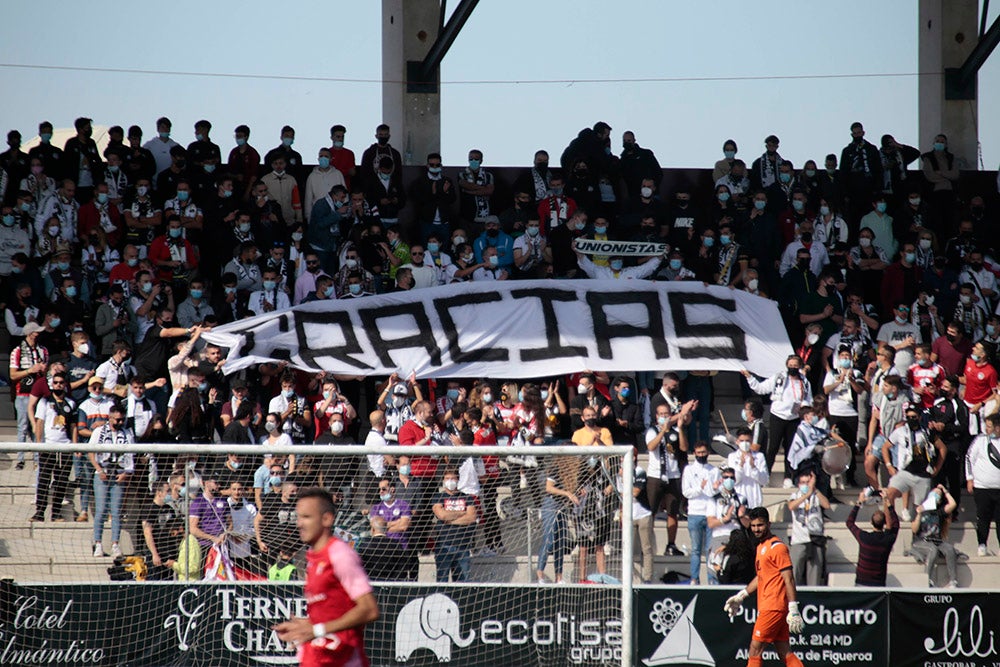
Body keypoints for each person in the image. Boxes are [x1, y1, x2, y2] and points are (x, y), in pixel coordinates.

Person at [274, 487, 379, 666]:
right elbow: (335, 612)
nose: (299, 523)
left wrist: (316, 629)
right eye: (298, 517)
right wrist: (306, 625)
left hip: (342, 659)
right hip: (319, 657)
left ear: (327, 519)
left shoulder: (339, 554)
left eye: (306, 517)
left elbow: (369, 609)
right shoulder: (314, 557)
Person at [723, 507, 806, 667]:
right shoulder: (761, 547)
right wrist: (742, 595)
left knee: (755, 650)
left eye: (760, 525)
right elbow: (762, 576)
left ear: (768, 524)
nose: (756, 529)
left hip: (773, 606)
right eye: (753, 526)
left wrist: (794, 607)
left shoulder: (777, 547)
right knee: (784, 651)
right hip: (772, 606)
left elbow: (788, 578)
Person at [88, 403, 134, 559]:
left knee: (116, 512)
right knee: (101, 510)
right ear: (110, 417)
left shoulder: (127, 433)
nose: (120, 423)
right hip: (102, 474)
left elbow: (130, 457)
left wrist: (126, 473)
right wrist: (99, 469)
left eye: (122, 420)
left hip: (118, 474)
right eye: (117, 420)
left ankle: (115, 544)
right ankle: (98, 543)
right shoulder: (99, 432)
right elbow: (91, 452)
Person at [681, 441, 721, 584]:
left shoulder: (714, 470)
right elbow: (686, 492)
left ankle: (711, 579)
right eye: (698, 453)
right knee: (696, 550)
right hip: (694, 513)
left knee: (710, 550)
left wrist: (716, 488)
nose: (701, 455)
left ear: (708, 453)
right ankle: (694, 579)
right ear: (694, 454)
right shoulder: (689, 470)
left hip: (710, 513)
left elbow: (716, 493)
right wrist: (700, 488)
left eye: (703, 452)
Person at [431, 467, 478, 583]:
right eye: (447, 478)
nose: (450, 481)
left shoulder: (467, 497)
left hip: (463, 546)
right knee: (442, 581)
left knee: (463, 583)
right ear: (443, 480)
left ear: (458, 480)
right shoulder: (438, 497)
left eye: (453, 478)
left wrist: (450, 519)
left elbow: (471, 517)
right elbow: (441, 515)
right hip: (444, 546)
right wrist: (462, 514)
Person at [910, 484, 960, 588]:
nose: (936, 495)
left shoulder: (939, 511)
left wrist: (945, 491)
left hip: (936, 541)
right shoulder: (921, 509)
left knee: (950, 549)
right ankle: (927, 579)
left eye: (938, 495)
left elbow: (953, 504)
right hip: (921, 541)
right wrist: (919, 514)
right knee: (932, 549)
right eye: (934, 492)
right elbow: (914, 529)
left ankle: (953, 580)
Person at [846, 488, 898, 586]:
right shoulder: (888, 539)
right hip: (879, 583)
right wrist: (888, 503)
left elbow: (849, 522)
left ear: (871, 522)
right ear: (885, 523)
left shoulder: (864, 537)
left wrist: (859, 502)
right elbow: (896, 524)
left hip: (861, 582)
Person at [965, 413, 1000, 556]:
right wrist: (969, 478)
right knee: (983, 518)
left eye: (990, 426)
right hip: (982, 487)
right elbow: (969, 458)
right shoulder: (979, 440)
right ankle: (982, 544)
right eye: (986, 426)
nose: (987, 429)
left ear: (998, 428)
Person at [787, 470, 830, 585]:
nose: (806, 485)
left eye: (808, 482)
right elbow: (791, 506)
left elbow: (826, 505)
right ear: (798, 484)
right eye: (803, 482)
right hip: (799, 539)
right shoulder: (795, 495)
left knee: (814, 576)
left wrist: (814, 490)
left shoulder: (816, 495)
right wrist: (806, 494)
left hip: (815, 539)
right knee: (795, 573)